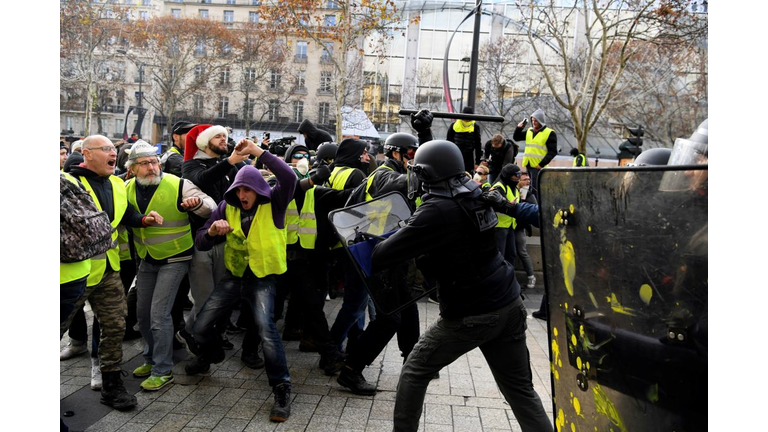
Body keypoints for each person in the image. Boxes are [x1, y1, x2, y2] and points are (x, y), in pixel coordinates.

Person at [370, 140, 552, 431]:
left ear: (427, 174)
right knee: (520, 390)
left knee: (415, 371)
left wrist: (401, 230)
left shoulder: (437, 209)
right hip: (509, 302)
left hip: (473, 312)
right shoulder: (475, 193)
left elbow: (381, 255)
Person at [184, 139, 296, 423]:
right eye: (238, 189)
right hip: (234, 276)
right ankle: (211, 355)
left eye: (247, 189)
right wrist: (212, 232)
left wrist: (258, 152)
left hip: (264, 278)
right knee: (200, 327)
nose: (242, 194)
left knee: (267, 331)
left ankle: (282, 389)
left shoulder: (275, 203)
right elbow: (201, 241)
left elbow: (288, 176)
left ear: (258, 189)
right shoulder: (226, 206)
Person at [62, 134, 164, 411]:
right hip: (75, 274)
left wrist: (144, 219)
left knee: (115, 326)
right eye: (105, 148)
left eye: (112, 149)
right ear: (87, 154)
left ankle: (111, 384)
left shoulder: (117, 183)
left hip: (109, 270)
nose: (113, 153)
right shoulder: (68, 183)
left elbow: (126, 214)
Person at [124, 142, 216, 391]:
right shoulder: (126, 187)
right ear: (132, 169)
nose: (152, 167)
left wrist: (197, 204)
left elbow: (211, 207)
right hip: (147, 258)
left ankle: (162, 370)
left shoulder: (179, 184)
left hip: (176, 257)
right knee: (142, 315)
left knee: (159, 314)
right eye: (144, 163)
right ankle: (150, 358)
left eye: (154, 162)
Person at [336, 132, 422, 395]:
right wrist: (424, 167)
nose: (413, 159)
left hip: (388, 253)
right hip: (374, 254)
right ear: (396, 152)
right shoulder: (383, 174)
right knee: (389, 318)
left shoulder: (396, 173)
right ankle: (351, 370)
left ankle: (414, 364)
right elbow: (402, 184)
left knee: (408, 308)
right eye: (411, 153)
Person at [179, 124, 261, 366]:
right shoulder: (192, 164)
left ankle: (199, 341)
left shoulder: (231, 165)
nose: (224, 140)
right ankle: (196, 341)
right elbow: (202, 179)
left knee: (221, 299)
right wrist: (231, 160)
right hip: (203, 240)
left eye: (225, 136)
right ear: (205, 142)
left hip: (228, 241)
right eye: (218, 136)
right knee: (205, 299)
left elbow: (249, 183)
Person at [513, 109, 557, 200]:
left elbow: (552, 152)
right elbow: (516, 137)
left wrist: (541, 164)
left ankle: (536, 206)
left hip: (538, 167)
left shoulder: (549, 133)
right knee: (529, 188)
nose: (533, 122)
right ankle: (530, 204)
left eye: (536, 120)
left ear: (541, 121)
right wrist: (519, 128)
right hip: (529, 165)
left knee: (535, 190)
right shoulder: (530, 130)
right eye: (532, 120)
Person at [490, 164, 522, 266]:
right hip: (500, 227)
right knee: (500, 256)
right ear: (509, 175)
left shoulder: (514, 187)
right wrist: (508, 205)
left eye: (520, 174)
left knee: (511, 255)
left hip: (510, 225)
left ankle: (510, 274)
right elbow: (497, 205)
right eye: (517, 175)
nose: (519, 177)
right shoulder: (499, 187)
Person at [516, 172, 537, 291]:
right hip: (510, 226)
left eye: (528, 179)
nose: (527, 182)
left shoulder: (529, 194)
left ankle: (531, 276)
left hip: (519, 227)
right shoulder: (514, 190)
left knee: (522, 252)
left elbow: (534, 210)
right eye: (524, 179)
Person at [446, 106, 482, 174]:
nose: (466, 120)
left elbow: (478, 145)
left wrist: (477, 162)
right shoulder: (454, 125)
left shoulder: (475, 127)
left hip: (468, 158)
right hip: (456, 156)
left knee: (467, 176)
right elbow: (448, 142)